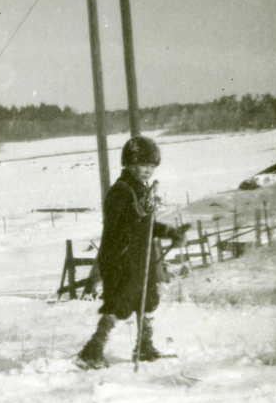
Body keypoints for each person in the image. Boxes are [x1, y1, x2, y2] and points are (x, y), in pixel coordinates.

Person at [76, 135, 190, 370]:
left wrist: (171, 231)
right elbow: (121, 224)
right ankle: (92, 351)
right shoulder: (121, 190)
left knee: (148, 299)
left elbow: (147, 225)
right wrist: (140, 213)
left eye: (151, 166)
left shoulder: (141, 190)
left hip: (138, 256)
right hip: (120, 258)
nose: (148, 170)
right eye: (142, 164)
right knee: (121, 303)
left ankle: (144, 347)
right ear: (129, 163)